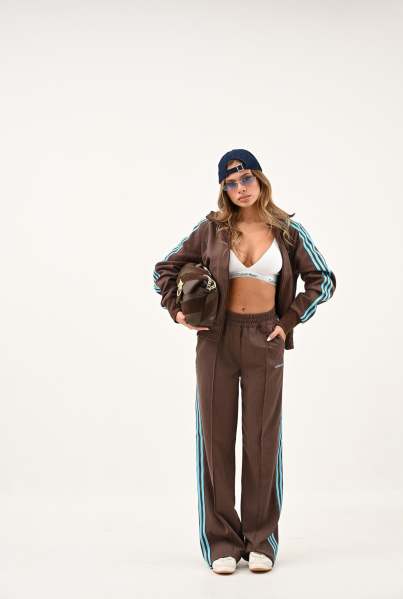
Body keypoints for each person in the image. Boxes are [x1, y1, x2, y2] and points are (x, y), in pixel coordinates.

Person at [153, 148, 336, 575]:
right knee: (216, 439)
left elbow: (322, 279)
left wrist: (288, 322)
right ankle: (221, 541)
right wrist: (177, 312)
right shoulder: (211, 229)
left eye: (246, 178)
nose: (240, 188)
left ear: (260, 179)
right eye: (231, 183)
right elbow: (163, 269)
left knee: (261, 441)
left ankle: (260, 540)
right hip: (216, 341)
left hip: (265, 339)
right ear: (224, 190)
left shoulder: (288, 230)